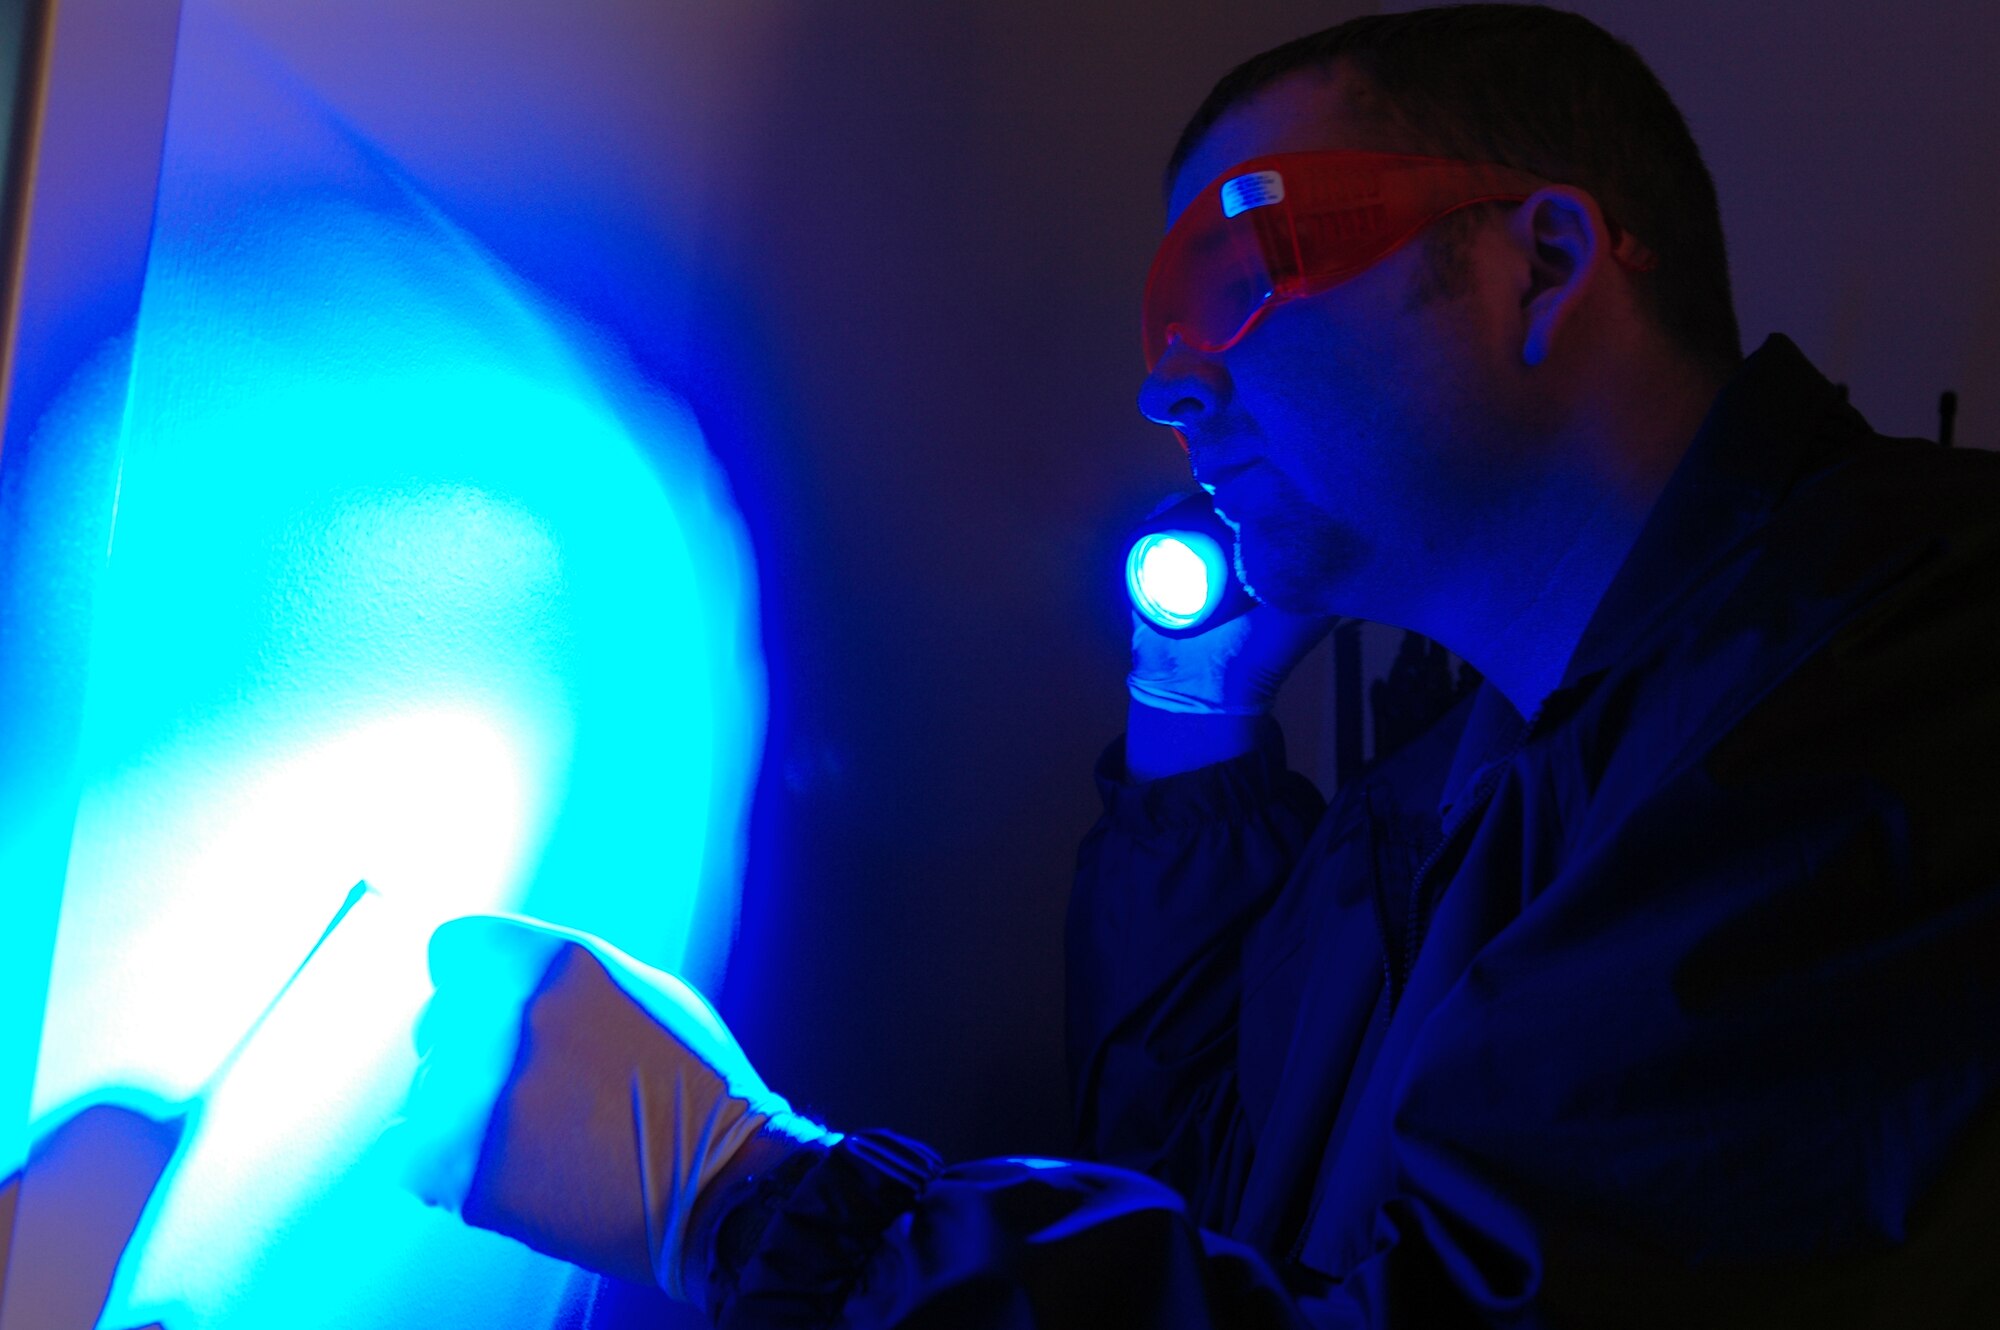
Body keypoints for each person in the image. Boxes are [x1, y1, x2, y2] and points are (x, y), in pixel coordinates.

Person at [390, 6, 2000, 1326]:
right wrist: (1199, 730)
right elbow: (1211, 1191)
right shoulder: (1487, 772)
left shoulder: (1905, 678)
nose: (1170, 388)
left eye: (1238, 276)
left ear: (1544, 264)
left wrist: (757, 1201)